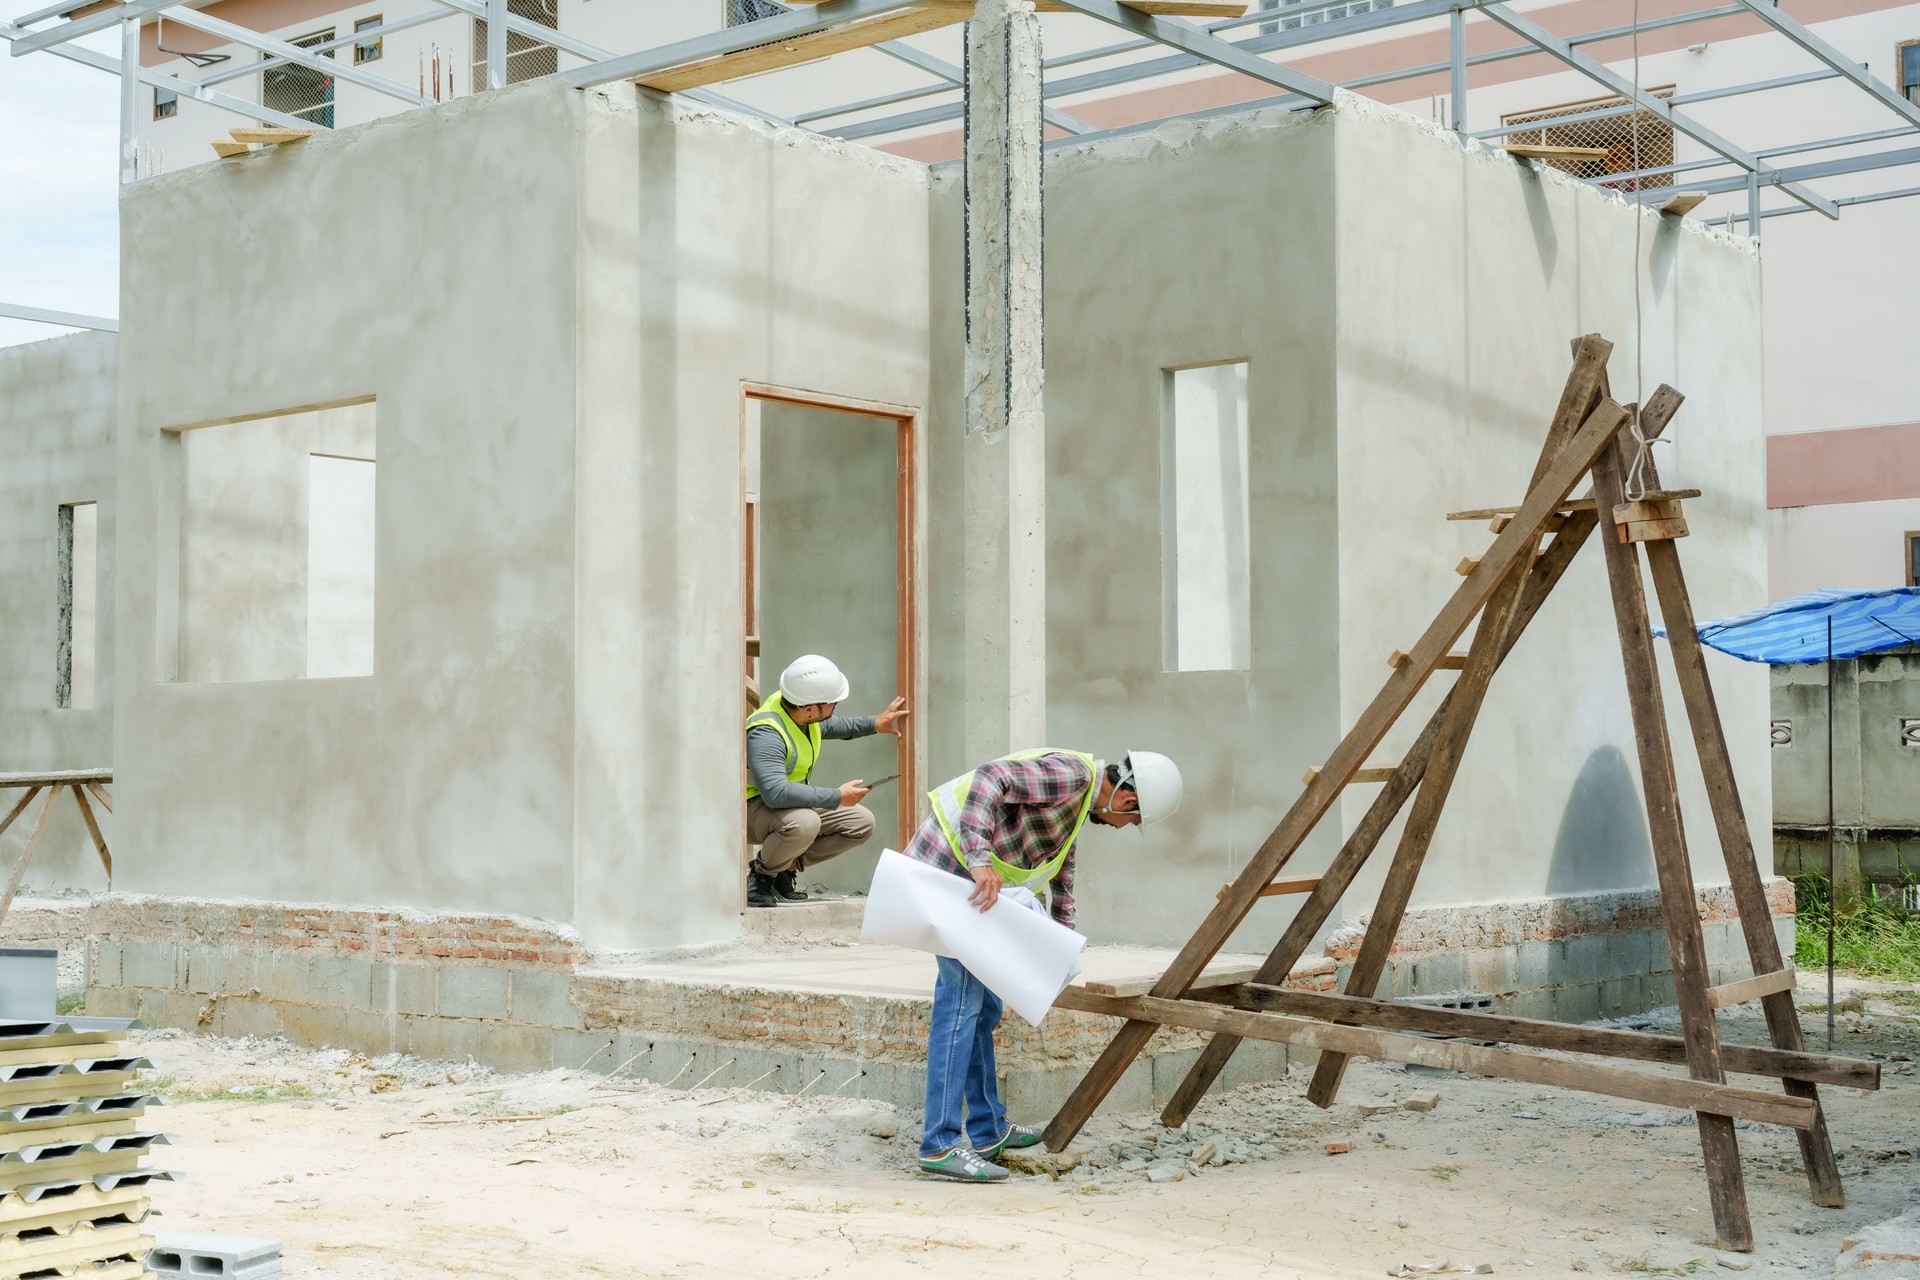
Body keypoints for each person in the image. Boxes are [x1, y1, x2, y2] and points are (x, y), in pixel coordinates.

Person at [902, 748, 1184, 1182]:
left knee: (984, 1008)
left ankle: (988, 1130)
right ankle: (938, 1145)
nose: (1125, 828)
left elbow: (1061, 875)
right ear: (1128, 801)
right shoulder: (1072, 775)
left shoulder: (1076, 805)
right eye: (1134, 822)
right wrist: (978, 859)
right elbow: (990, 777)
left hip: (972, 891)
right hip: (948, 872)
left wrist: (1061, 945)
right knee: (960, 1007)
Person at [746, 654, 909, 908]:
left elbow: (833, 726)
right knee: (805, 823)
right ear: (810, 708)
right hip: (751, 810)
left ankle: (783, 868)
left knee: (861, 822)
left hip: (787, 804)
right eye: (832, 703)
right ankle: (761, 877)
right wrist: (837, 797)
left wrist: (875, 723)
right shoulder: (767, 733)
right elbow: (775, 793)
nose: (835, 707)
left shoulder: (799, 711)